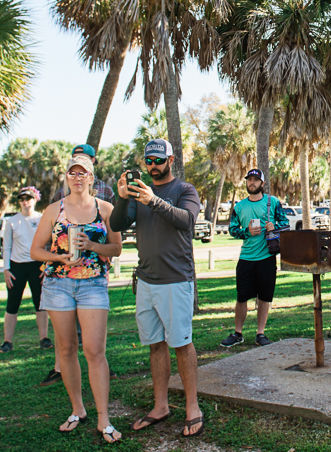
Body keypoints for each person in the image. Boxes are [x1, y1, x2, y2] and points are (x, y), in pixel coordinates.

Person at [109, 139, 205, 438]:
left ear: (170, 160)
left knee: (181, 344)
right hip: (147, 281)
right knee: (155, 345)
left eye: (158, 160)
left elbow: (186, 220)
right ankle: (160, 406)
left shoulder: (184, 190)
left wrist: (153, 201)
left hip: (176, 280)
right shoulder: (139, 194)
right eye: (148, 160)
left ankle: (193, 407)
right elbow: (116, 223)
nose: (152, 165)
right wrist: (124, 197)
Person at [30, 154, 122, 443]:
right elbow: (35, 251)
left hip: (93, 284)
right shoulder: (52, 210)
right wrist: (59, 257)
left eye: (83, 173)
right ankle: (77, 409)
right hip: (58, 285)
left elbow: (117, 249)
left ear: (92, 178)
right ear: (67, 177)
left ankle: (104, 419)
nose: (78, 177)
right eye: (73, 173)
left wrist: (92, 245)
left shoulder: (105, 209)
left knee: (94, 350)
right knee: (67, 349)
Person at [221, 168, 290, 349]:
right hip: (246, 258)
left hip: (266, 258)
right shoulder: (239, 206)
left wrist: (273, 226)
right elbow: (233, 230)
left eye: (255, 180)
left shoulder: (272, 202)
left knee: (265, 297)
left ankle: (260, 333)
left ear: (262, 184)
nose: (252, 183)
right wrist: (247, 232)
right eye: (249, 180)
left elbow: (285, 225)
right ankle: (238, 333)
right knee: (242, 297)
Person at [0, 186, 52, 353]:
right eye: (22, 199)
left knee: (40, 304)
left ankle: (44, 338)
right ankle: (7, 341)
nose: (25, 202)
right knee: (12, 305)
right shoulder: (12, 221)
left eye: (28, 198)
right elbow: (6, 247)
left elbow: (49, 245)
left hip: (37, 265)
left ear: (35, 200)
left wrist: (47, 266)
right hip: (17, 267)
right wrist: (6, 269)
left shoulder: (42, 218)